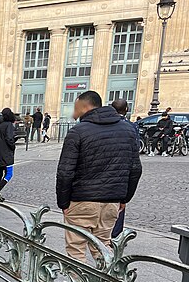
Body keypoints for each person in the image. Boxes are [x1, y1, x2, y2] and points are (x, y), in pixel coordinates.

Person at [56, 90, 141, 262]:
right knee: (102, 246)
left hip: (82, 200)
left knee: (76, 249)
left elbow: (65, 172)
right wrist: (123, 199)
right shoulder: (127, 130)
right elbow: (135, 169)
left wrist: (63, 203)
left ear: (83, 105)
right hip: (111, 201)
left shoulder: (78, 132)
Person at [0, 108, 17, 195]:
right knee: (9, 174)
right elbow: (9, 138)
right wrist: (13, 146)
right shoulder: (9, 125)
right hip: (6, 154)